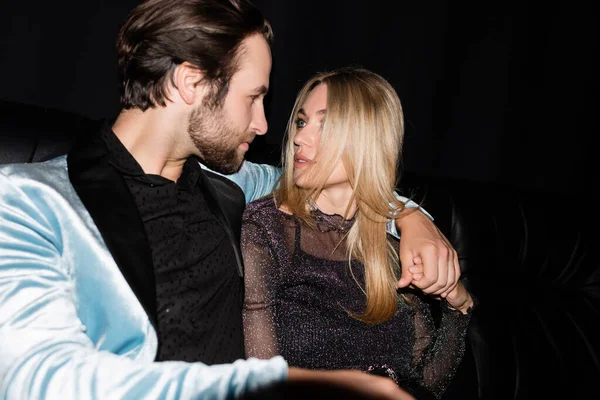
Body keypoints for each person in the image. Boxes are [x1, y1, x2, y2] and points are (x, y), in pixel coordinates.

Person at [0, 0, 459, 398]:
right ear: (190, 83)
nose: (264, 125)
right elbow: (37, 379)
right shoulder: (28, 201)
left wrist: (414, 217)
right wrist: (292, 388)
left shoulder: (233, 186)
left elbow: (351, 181)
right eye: (254, 97)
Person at [241, 67, 475, 399]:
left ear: (368, 139)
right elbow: (259, 380)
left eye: (325, 125)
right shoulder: (268, 231)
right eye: (302, 121)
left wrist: (459, 309)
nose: (299, 138)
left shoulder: (392, 249)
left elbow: (423, 384)